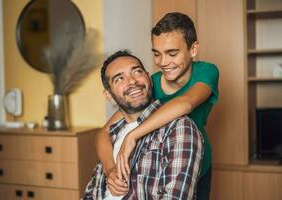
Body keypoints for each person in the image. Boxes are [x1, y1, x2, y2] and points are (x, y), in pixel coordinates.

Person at [95, 12, 219, 200]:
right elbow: (103, 133)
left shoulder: (207, 71)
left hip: (197, 160)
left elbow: (185, 103)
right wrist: (110, 169)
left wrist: (132, 136)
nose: (163, 62)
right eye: (156, 54)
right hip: (162, 159)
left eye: (172, 53)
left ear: (193, 50)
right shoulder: (148, 84)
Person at [84, 50, 203, 199]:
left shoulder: (178, 128)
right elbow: (91, 193)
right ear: (109, 96)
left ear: (149, 79)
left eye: (137, 72)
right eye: (119, 78)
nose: (132, 81)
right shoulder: (111, 135)